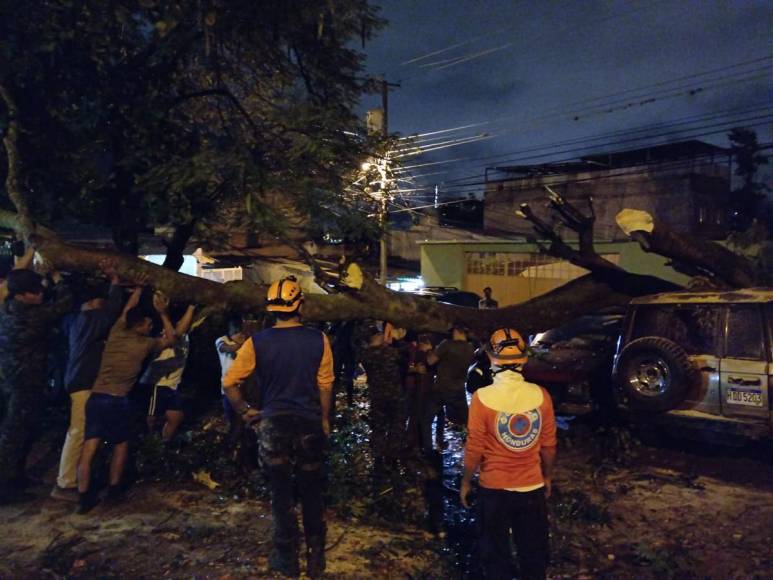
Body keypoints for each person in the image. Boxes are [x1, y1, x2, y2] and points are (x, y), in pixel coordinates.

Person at [223, 276, 333, 578]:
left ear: (272, 309)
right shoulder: (319, 339)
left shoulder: (256, 342)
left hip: (274, 426)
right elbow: (325, 385)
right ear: (299, 305)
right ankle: (315, 558)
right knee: (312, 490)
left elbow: (229, 383)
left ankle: (287, 559)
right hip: (309, 423)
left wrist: (246, 411)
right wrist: (324, 418)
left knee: (281, 494)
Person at [460, 328, 557, 580]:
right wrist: (547, 477)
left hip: (494, 491)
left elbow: (475, 447)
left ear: (492, 359)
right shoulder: (541, 396)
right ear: (524, 359)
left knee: (495, 557)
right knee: (533, 556)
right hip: (531, 489)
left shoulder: (482, 399)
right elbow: (548, 446)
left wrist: (465, 481)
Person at [76, 287, 176, 514]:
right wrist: (163, 313)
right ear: (139, 326)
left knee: (89, 446)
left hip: (96, 397)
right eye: (148, 324)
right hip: (117, 400)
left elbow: (127, 310)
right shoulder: (145, 344)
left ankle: (83, 498)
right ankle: (113, 490)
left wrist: (138, 290)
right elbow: (171, 338)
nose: (151, 328)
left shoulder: (116, 332)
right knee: (121, 444)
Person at [51, 260, 125, 502]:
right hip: (83, 382)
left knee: (82, 429)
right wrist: (115, 281)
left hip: (75, 380)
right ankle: (66, 483)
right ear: (94, 303)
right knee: (78, 430)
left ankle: (75, 478)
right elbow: (113, 310)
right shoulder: (92, 320)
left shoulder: (73, 320)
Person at [0, 265, 72, 504]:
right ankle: (5, 487)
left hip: (14, 379)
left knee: (22, 430)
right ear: (20, 295)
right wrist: (57, 277)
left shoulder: (8, 308)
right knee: (15, 434)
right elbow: (65, 303)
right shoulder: (31, 315)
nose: (39, 294)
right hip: (25, 381)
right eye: (33, 292)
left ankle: (16, 476)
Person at [143, 304, 196, 443]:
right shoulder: (168, 334)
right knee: (151, 417)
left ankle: (163, 443)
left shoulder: (186, 338)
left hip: (171, 385)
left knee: (176, 417)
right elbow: (176, 334)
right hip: (158, 382)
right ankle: (148, 444)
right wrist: (190, 307)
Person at [421, 325, 475, 453]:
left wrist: (428, 350)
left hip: (441, 388)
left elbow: (431, 361)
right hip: (459, 390)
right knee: (465, 422)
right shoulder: (470, 348)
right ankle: (469, 446)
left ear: (455, 331)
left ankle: (428, 451)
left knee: (426, 419)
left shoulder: (446, 344)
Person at [359, 323, 405, 462]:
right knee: (396, 426)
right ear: (377, 336)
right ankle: (391, 458)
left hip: (377, 395)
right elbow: (403, 358)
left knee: (379, 427)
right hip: (395, 395)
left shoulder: (366, 355)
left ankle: (378, 458)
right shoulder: (390, 352)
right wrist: (398, 341)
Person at [216, 315, 247, 427]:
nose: (238, 333)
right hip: (228, 389)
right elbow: (227, 349)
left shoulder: (246, 342)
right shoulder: (221, 340)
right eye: (235, 330)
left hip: (244, 388)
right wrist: (241, 344)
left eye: (240, 330)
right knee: (233, 421)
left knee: (244, 421)